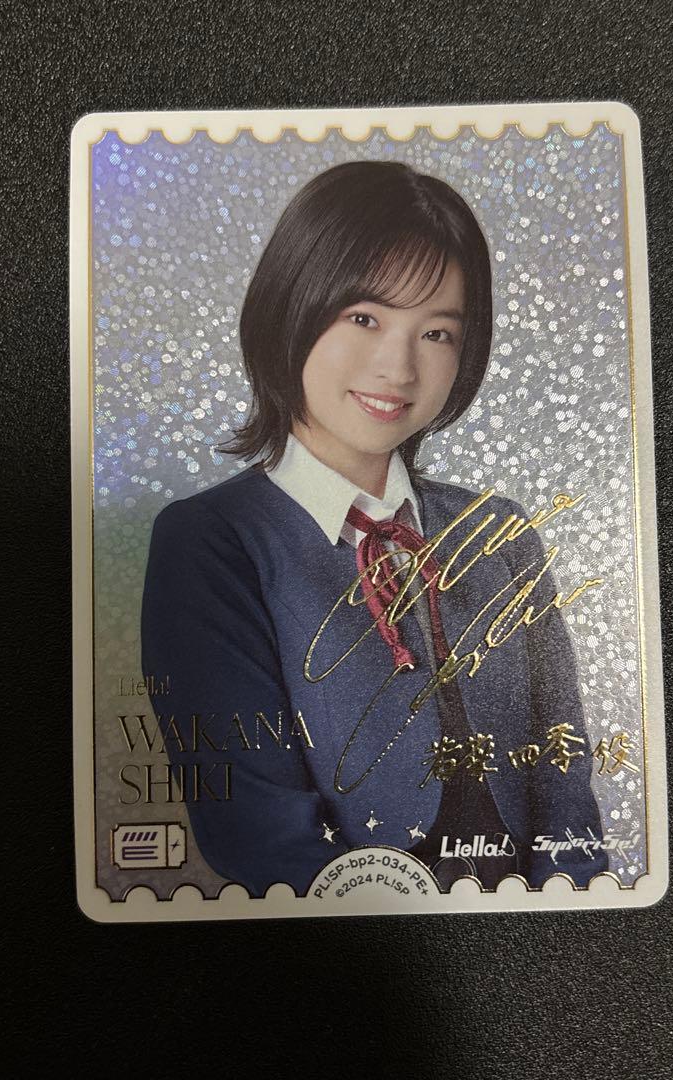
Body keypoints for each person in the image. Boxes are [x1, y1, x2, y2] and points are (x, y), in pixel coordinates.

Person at [141, 160, 607, 897]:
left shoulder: (501, 531)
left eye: (438, 332)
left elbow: (565, 777)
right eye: (364, 319)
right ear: (292, 308)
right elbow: (255, 830)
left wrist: (567, 909)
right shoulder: (214, 540)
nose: (399, 368)